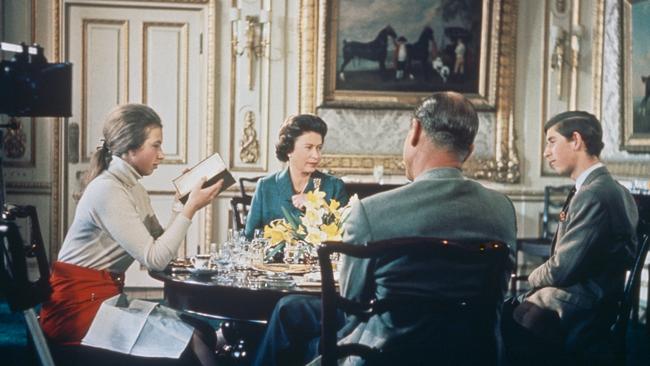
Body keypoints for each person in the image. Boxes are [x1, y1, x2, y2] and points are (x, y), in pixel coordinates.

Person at [253, 91, 517, 366]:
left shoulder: (370, 212)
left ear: (414, 131)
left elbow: (352, 308)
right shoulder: (502, 210)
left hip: (386, 356)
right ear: (470, 150)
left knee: (295, 323)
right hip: (473, 355)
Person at [40, 104, 223, 365]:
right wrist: (190, 209)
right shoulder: (108, 190)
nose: (162, 154)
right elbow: (155, 259)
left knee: (202, 331)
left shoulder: (131, 187)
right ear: (130, 149)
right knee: (189, 346)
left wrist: (180, 204)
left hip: (103, 301)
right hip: (77, 312)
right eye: (155, 146)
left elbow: (160, 245)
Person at [502, 111, 638, 365]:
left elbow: (561, 269)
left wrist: (525, 279)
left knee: (500, 320)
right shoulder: (614, 188)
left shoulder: (594, 193)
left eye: (552, 141)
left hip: (585, 306)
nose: (545, 152)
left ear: (576, 140)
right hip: (597, 298)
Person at [244, 114, 349, 239]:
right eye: (308, 148)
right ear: (289, 150)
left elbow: (345, 236)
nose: (316, 155)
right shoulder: (266, 186)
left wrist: (315, 206)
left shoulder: (334, 186)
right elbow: (250, 237)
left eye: (319, 148)